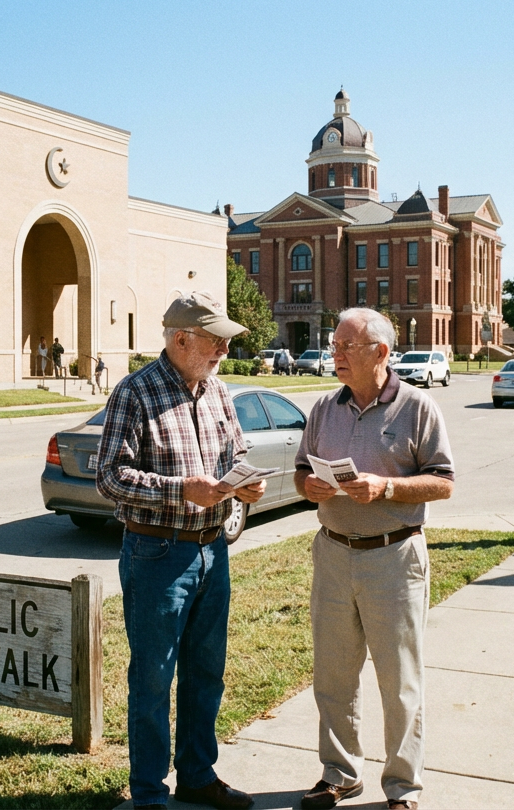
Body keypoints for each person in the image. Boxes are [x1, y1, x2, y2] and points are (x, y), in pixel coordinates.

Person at [95, 291, 265, 810]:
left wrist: (244, 482)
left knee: (205, 671)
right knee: (154, 675)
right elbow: (109, 477)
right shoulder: (135, 392)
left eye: (224, 342)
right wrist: (180, 490)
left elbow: (236, 449)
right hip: (157, 555)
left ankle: (197, 774)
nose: (222, 350)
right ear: (180, 339)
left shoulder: (216, 390)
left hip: (214, 550)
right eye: (215, 340)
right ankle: (149, 792)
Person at [292, 308, 454, 810]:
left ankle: (403, 787)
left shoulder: (417, 408)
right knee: (334, 675)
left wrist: (386, 487)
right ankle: (339, 773)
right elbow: (301, 471)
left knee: (399, 679)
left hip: (394, 558)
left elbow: (444, 482)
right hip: (334, 555)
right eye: (334, 344)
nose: (334, 352)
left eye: (346, 346)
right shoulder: (323, 408)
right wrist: (309, 485)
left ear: (380, 352)